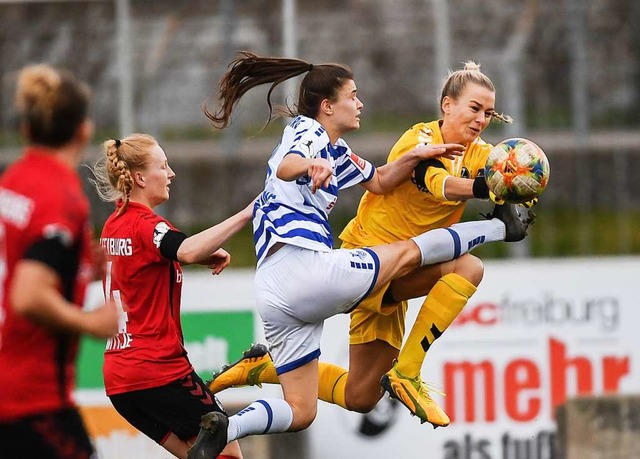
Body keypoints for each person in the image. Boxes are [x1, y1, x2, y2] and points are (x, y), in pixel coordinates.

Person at [187, 52, 533, 457]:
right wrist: (310, 165)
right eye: (353, 95)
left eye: (489, 112)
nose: (361, 102)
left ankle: (232, 418)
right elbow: (287, 165)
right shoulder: (314, 132)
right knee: (433, 259)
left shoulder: (340, 150)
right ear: (328, 106)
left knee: (330, 404)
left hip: (279, 290)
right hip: (323, 263)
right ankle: (495, 232)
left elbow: (382, 180)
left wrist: (409, 162)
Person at [89, 133, 252, 459]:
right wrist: (247, 213)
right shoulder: (147, 225)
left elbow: (149, 262)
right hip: (159, 371)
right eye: (163, 166)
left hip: (120, 380)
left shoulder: (113, 224)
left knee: (199, 455)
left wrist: (191, 254)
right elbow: (185, 248)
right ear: (139, 177)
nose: (171, 173)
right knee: (228, 449)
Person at [0, 64, 119, 458]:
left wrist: (80, 266)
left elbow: (19, 258)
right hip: (31, 401)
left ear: (27, 129)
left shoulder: (13, 180)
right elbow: (28, 295)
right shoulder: (61, 196)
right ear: (84, 130)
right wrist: (91, 322)